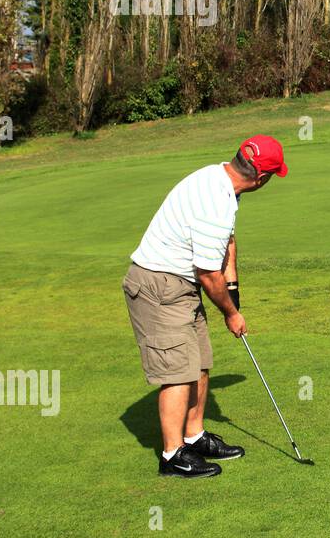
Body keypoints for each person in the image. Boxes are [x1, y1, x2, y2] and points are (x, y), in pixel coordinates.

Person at [123, 135, 288, 477]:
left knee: (198, 362)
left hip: (180, 285)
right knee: (178, 373)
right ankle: (172, 456)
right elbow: (209, 273)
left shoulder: (220, 179)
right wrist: (231, 313)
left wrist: (235, 291)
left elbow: (227, 242)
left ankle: (193, 436)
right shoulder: (216, 202)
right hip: (159, 285)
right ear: (262, 178)